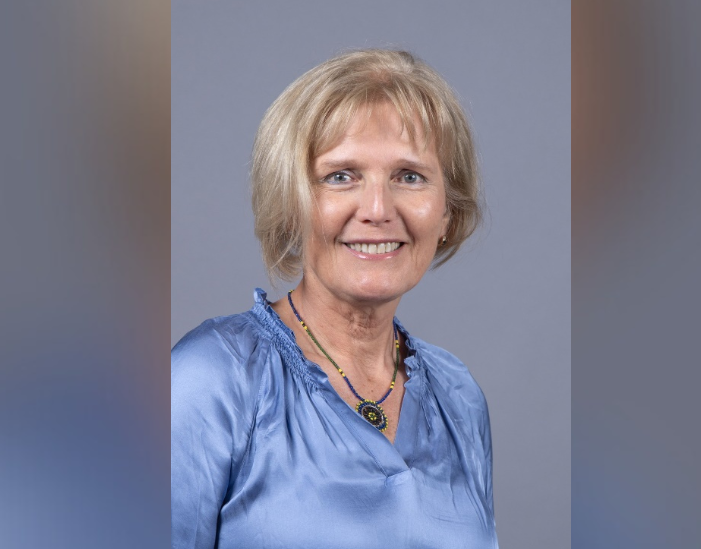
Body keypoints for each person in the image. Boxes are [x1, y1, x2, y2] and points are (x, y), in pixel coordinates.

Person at [172, 49, 497, 548]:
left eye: (409, 176)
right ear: (290, 203)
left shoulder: (459, 398)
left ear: (447, 212)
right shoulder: (211, 378)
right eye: (340, 176)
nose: (377, 209)